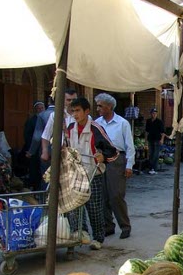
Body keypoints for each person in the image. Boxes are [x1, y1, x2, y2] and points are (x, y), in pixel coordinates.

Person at [67, 97, 119, 250]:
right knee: (75, 205)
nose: (75, 114)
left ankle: (98, 238)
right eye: (73, 111)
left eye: (78, 111)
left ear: (86, 111)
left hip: (93, 174)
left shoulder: (96, 129)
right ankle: (81, 233)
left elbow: (113, 151)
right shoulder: (70, 128)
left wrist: (103, 157)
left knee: (94, 207)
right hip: (76, 174)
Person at [94, 93, 135, 240]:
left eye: (100, 106)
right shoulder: (97, 123)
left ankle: (125, 226)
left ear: (109, 107)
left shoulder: (122, 123)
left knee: (116, 195)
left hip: (118, 159)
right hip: (101, 159)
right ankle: (108, 226)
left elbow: (130, 146)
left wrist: (129, 165)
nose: (98, 108)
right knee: (103, 195)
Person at [23, 100, 45, 189]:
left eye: (41, 108)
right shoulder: (31, 121)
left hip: (44, 149)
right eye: (38, 108)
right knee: (35, 169)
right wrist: (31, 149)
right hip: (34, 150)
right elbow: (28, 135)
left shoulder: (47, 117)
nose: (40, 110)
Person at [145, 108, 165, 175]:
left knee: (156, 155)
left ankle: (154, 168)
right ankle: (151, 168)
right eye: (153, 113)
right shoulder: (148, 121)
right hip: (150, 139)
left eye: (155, 113)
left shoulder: (159, 122)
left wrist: (162, 139)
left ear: (156, 114)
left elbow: (163, 132)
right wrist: (145, 140)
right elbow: (146, 131)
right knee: (150, 154)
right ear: (151, 114)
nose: (154, 114)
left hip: (157, 140)